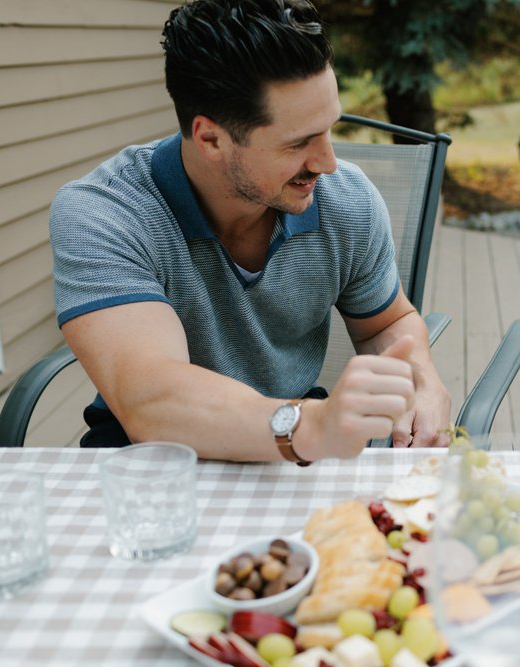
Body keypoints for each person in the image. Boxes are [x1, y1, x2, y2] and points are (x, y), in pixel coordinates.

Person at [48, 0, 451, 462]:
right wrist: (309, 424)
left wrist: (423, 378)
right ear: (211, 139)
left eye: (328, 130)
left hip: (292, 445)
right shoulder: (105, 214)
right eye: (299, 142)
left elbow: (389, 322)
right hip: (151, 467)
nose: (328, 163)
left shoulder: (347, 200)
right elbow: (152, 401)